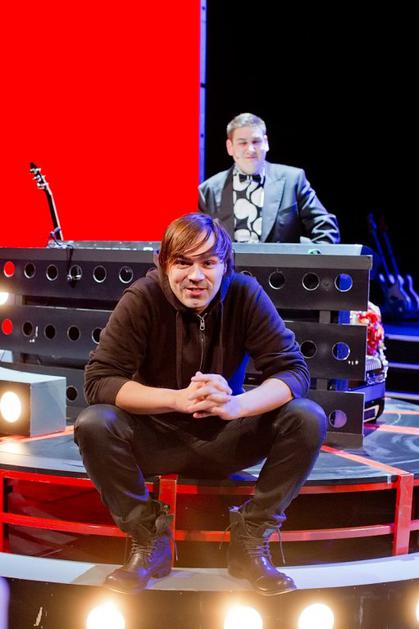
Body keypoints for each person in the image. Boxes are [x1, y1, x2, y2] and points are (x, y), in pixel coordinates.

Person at [74, 213, 327, 597]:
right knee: (94, 422)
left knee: (307, 417)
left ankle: (250, 540)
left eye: (208, 263)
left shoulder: (245, 294)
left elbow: (293, 371)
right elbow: (99, 380)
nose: (195, 276)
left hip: (227, 436)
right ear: (164, 264)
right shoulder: (143, 298)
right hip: (157, 438)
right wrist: (176, 399)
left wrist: (236, 405)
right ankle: (149, 540)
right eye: (183, 262)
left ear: (225, 266)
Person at [199, 112, 340, 244]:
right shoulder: (209, 189)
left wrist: (312, 259)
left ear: (266, 143)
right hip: (229, 263)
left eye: (256, 141)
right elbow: (200, 241)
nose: (250, 149)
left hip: (282, 263)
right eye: (243, 143)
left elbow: (325, 227)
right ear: (230, 147)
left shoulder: (293, 180)